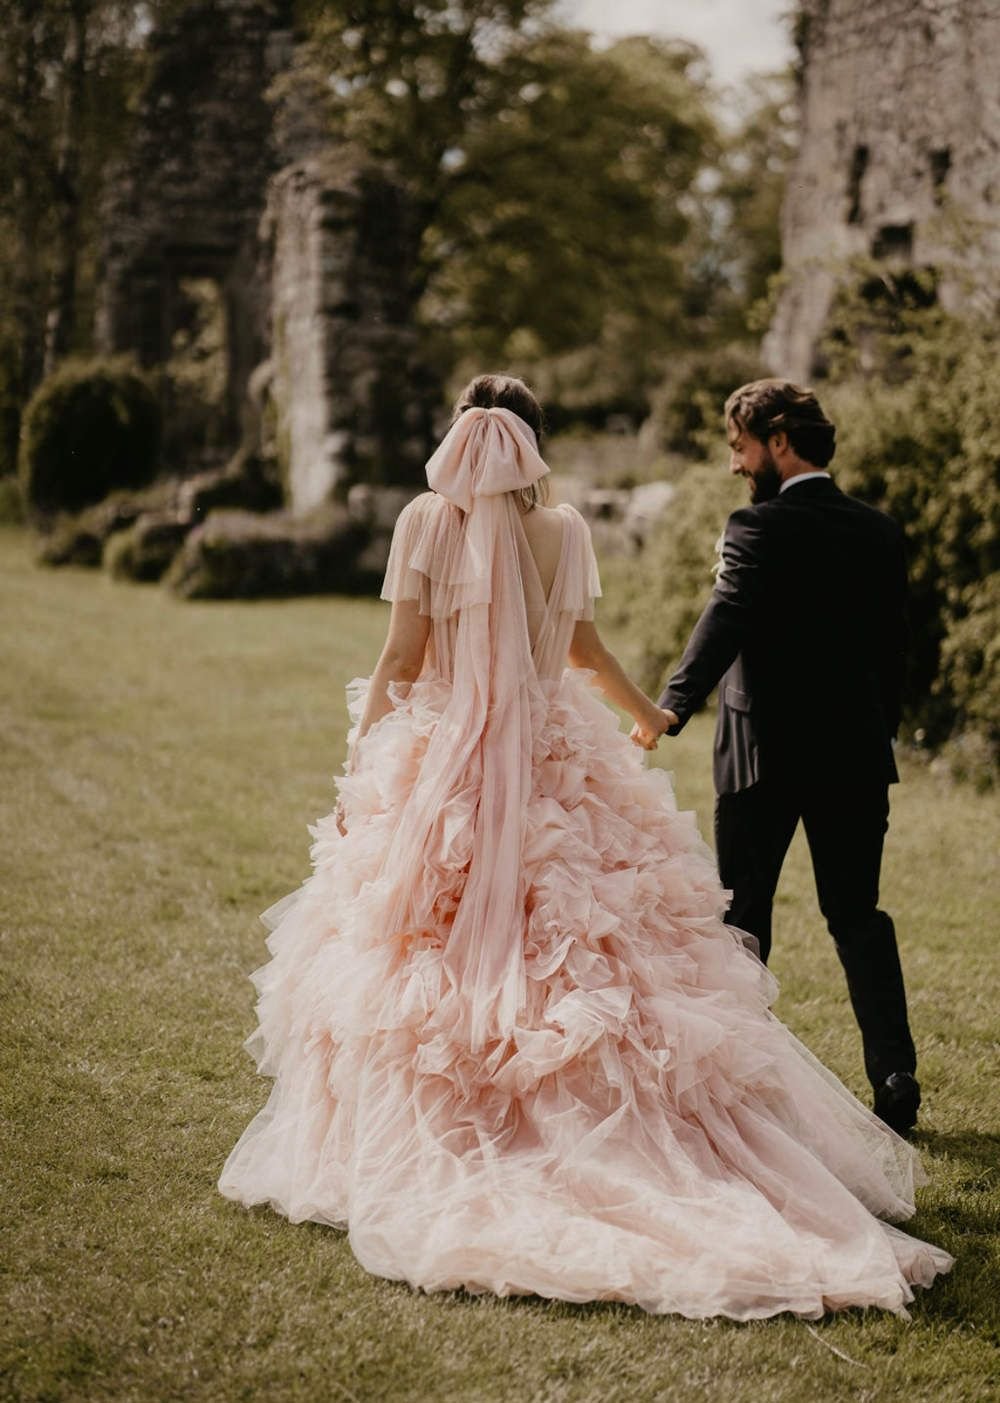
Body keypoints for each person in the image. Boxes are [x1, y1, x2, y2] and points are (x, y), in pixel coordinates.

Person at [218, 374, 952, 1320]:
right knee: (600, 935)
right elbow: (583, 655)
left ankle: (465, 1115)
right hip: (561, 753)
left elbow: (401, 659)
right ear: (534, 445)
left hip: (451, 760)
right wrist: (651, 715)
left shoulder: (424, 522)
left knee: (430, 941)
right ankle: (679, 1121)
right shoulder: (562, 529)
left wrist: (363, 762)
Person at [652, 379, 921, 1137]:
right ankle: (895, 1072)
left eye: (738, 446)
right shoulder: (879, 530)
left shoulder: (756, 528)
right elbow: (895, 650)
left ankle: (742, 1086)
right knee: (857, 914)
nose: (735, 464)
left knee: (742, 919)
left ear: (776, 440)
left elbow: (727, 614)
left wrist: (673, 703)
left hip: (761, 756)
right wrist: (879, 729)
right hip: (855, 756)